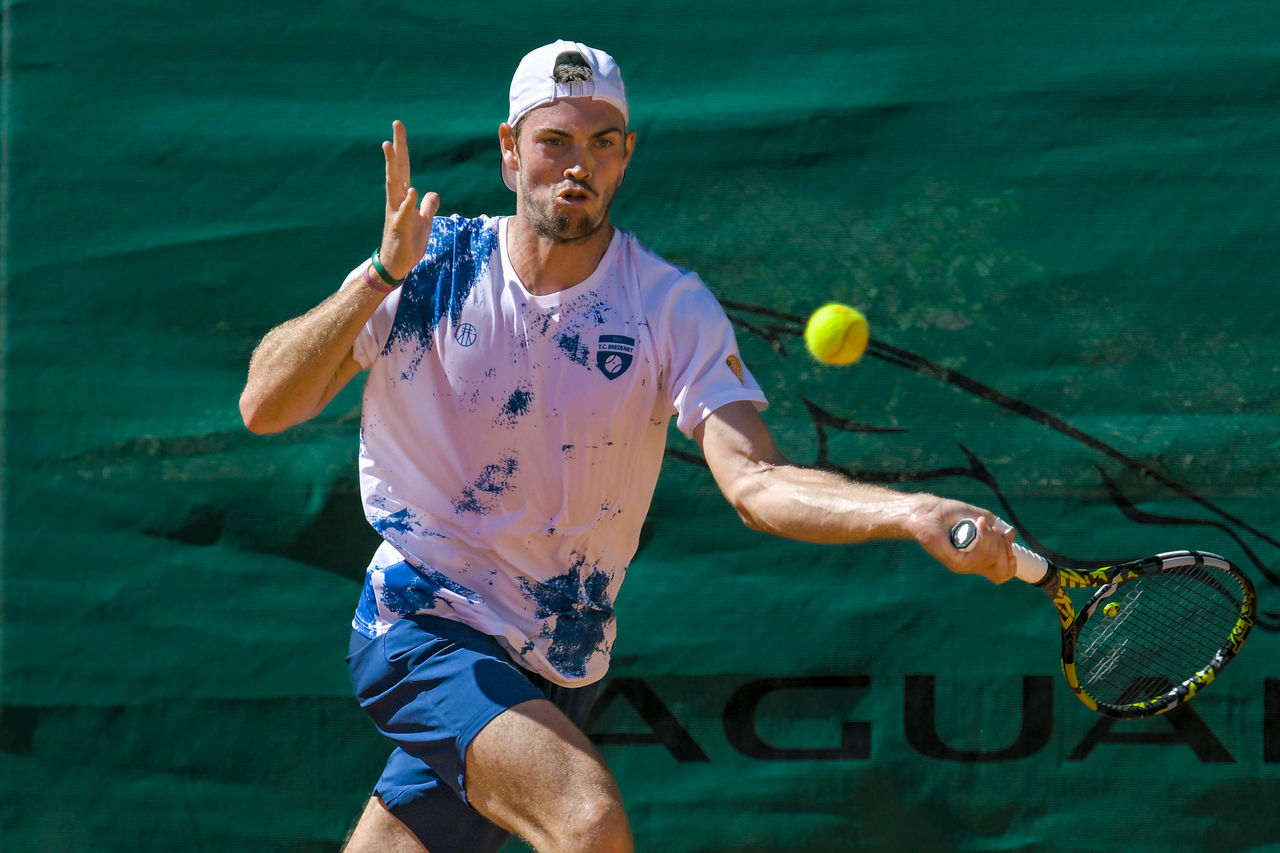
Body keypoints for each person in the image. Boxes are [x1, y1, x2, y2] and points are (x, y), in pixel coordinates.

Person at [239, 40, 1016, 853]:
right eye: (556, 142)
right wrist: (376, 275)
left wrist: (914, 510)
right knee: (587, 820)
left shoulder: (667, 305)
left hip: (558, 658)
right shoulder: (429, 267)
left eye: (603, 143)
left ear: (626, 156)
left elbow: (756, 483)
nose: (580, 165)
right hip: (421, 622)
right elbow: (264, 402)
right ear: (510, 151)